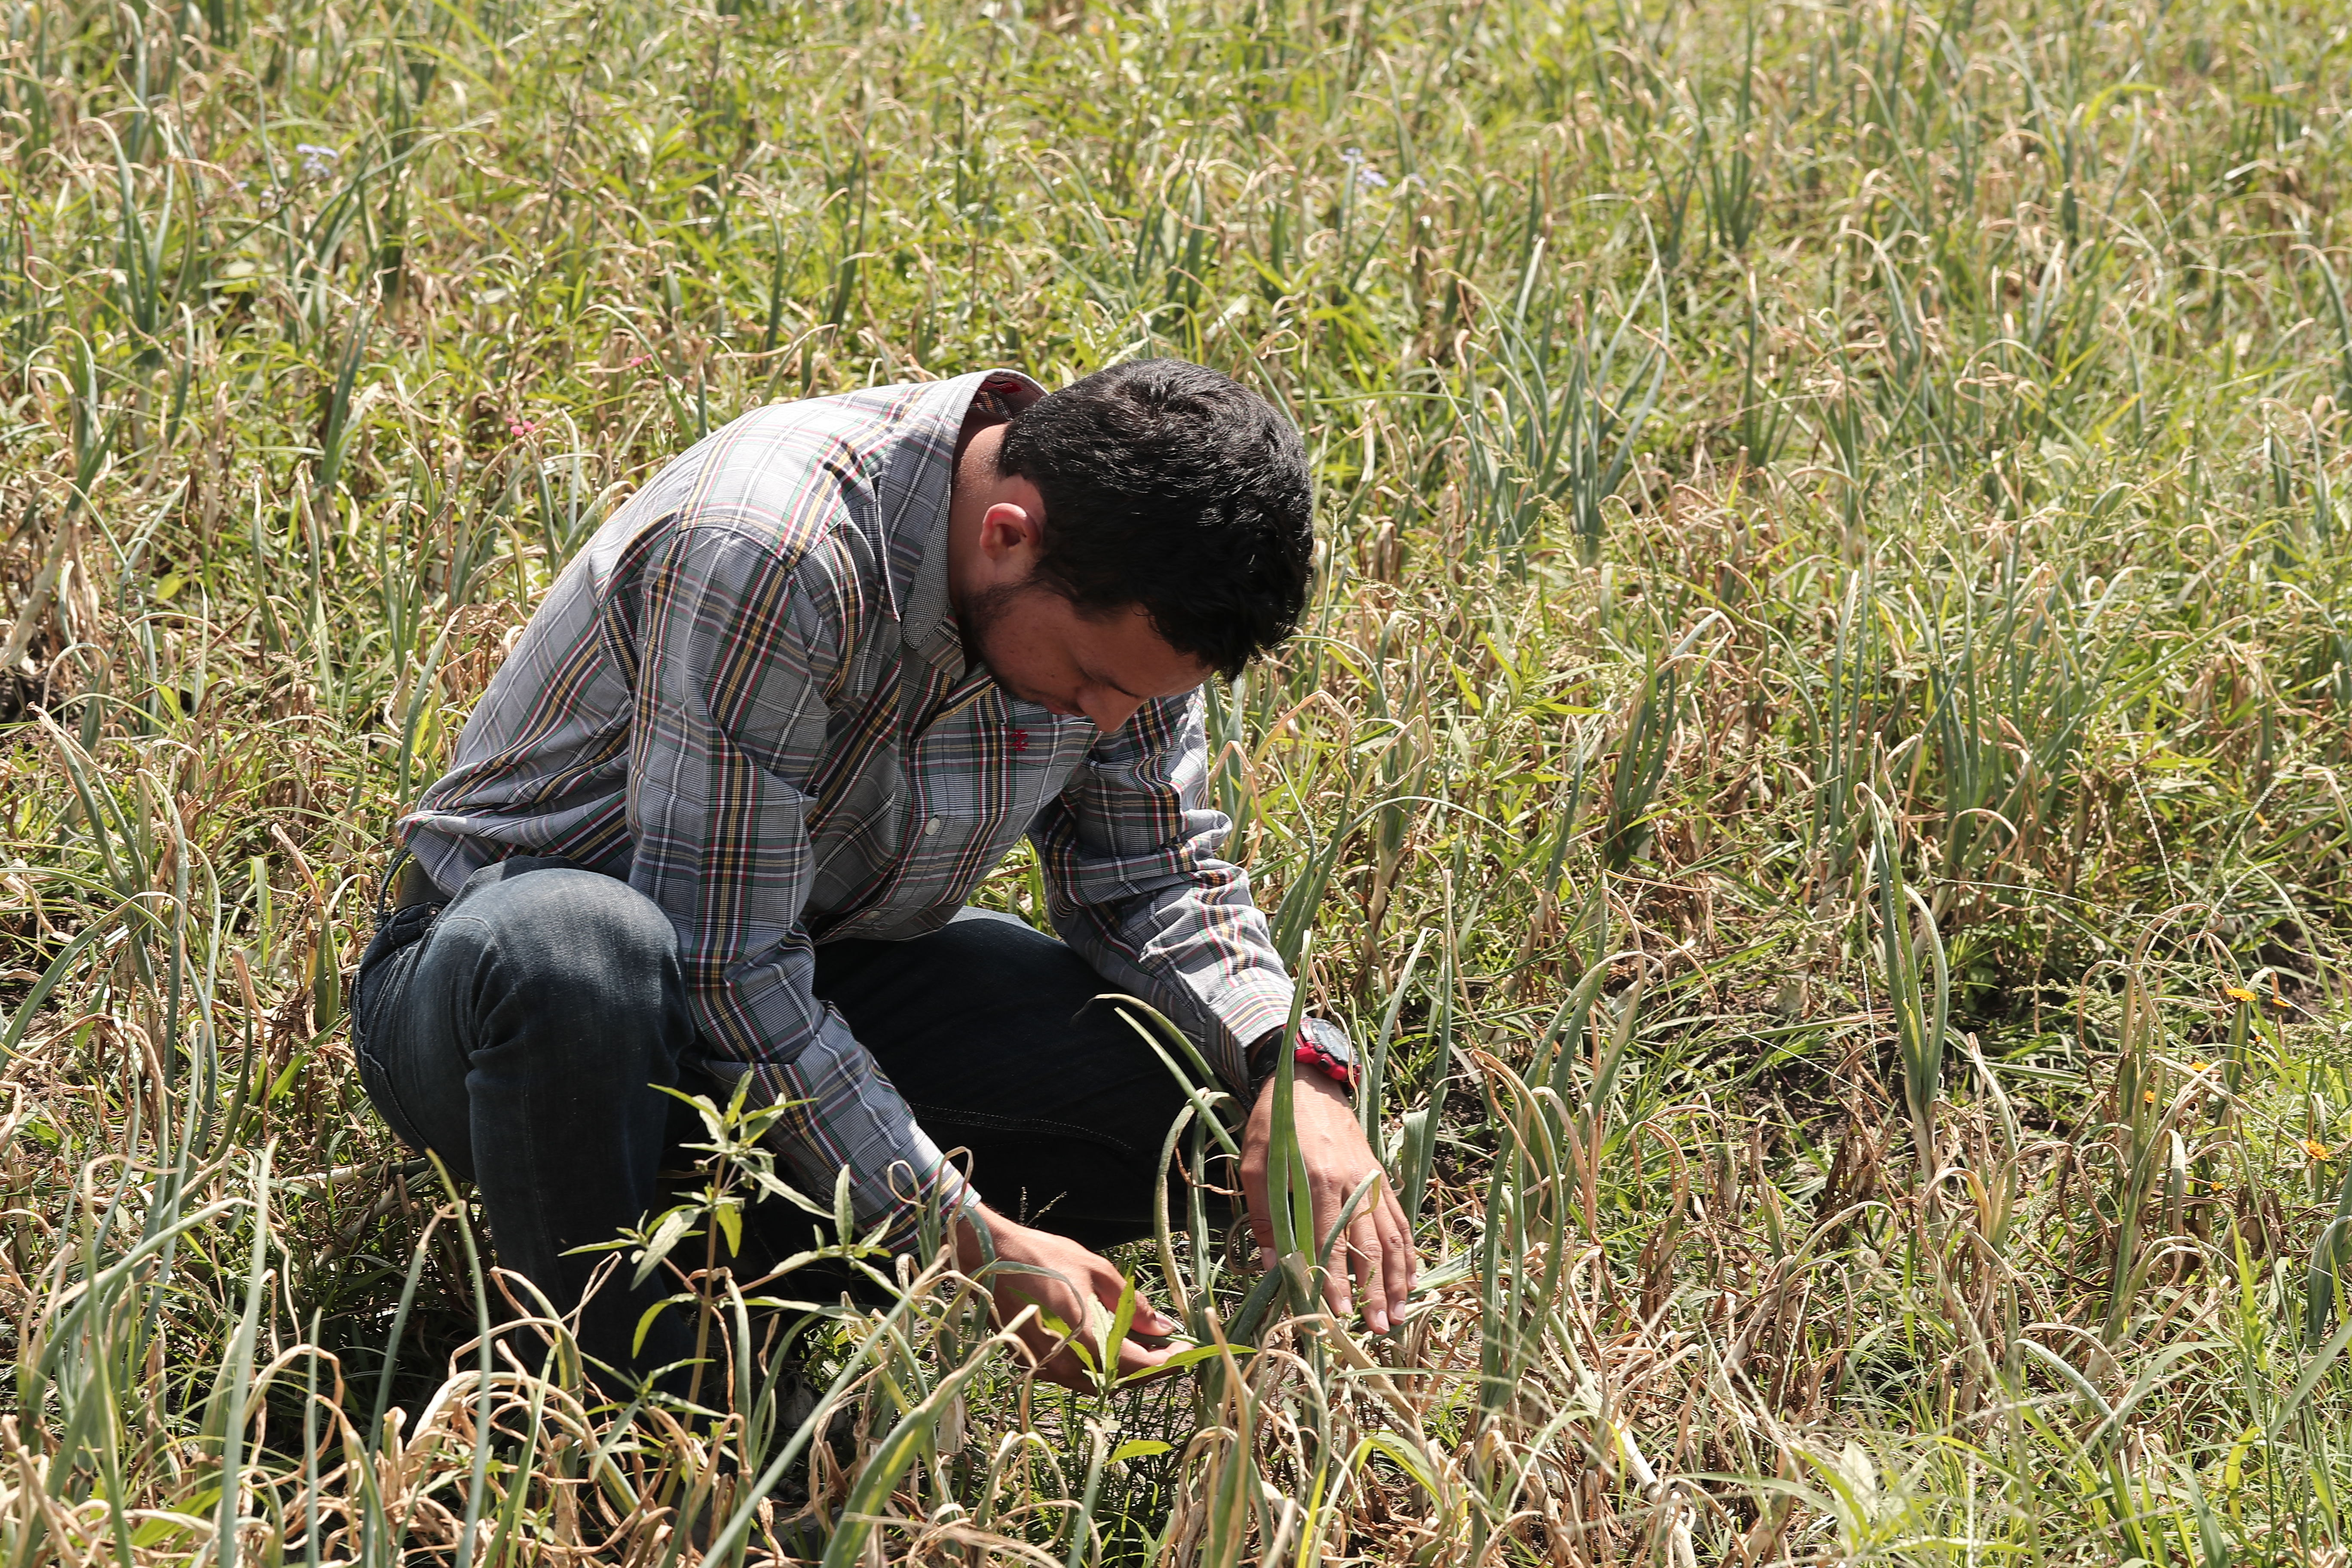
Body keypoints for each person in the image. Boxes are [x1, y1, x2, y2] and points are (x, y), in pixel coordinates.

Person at [351, 360, 1417, 1395]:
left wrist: (1298, 1068)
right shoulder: (772, 549)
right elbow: (721, 960)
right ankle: (642, 1413)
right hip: (513, 1003)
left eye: (1134, 700)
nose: (1104, 721)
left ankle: (744, 1262)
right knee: (581, 948)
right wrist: (968, 1237)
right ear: (1008, 537)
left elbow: (1153, 874)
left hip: (814, 969)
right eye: (1092, 682)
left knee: (1195, 1091)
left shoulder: (1129, 587)